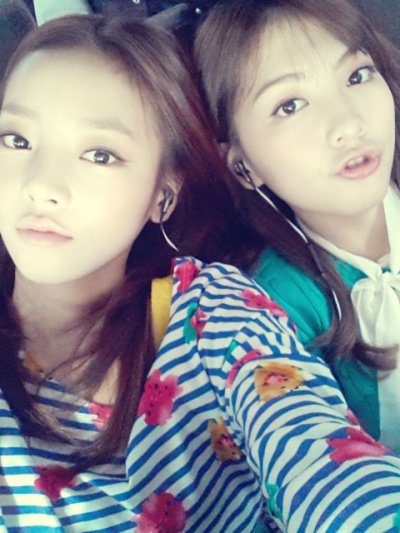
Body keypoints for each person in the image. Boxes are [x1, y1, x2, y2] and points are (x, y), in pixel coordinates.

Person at [1, 13, 400, 533]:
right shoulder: (288, 288)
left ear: (162, 195)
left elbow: (319, 456)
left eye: (99, 154)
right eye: (15, 139)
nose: (41, 185)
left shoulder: (212, 314)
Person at [195, 0, 400, 459]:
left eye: (357, 76)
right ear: (244, 166)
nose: (348, 123)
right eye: (290, 105)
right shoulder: (273, 308)